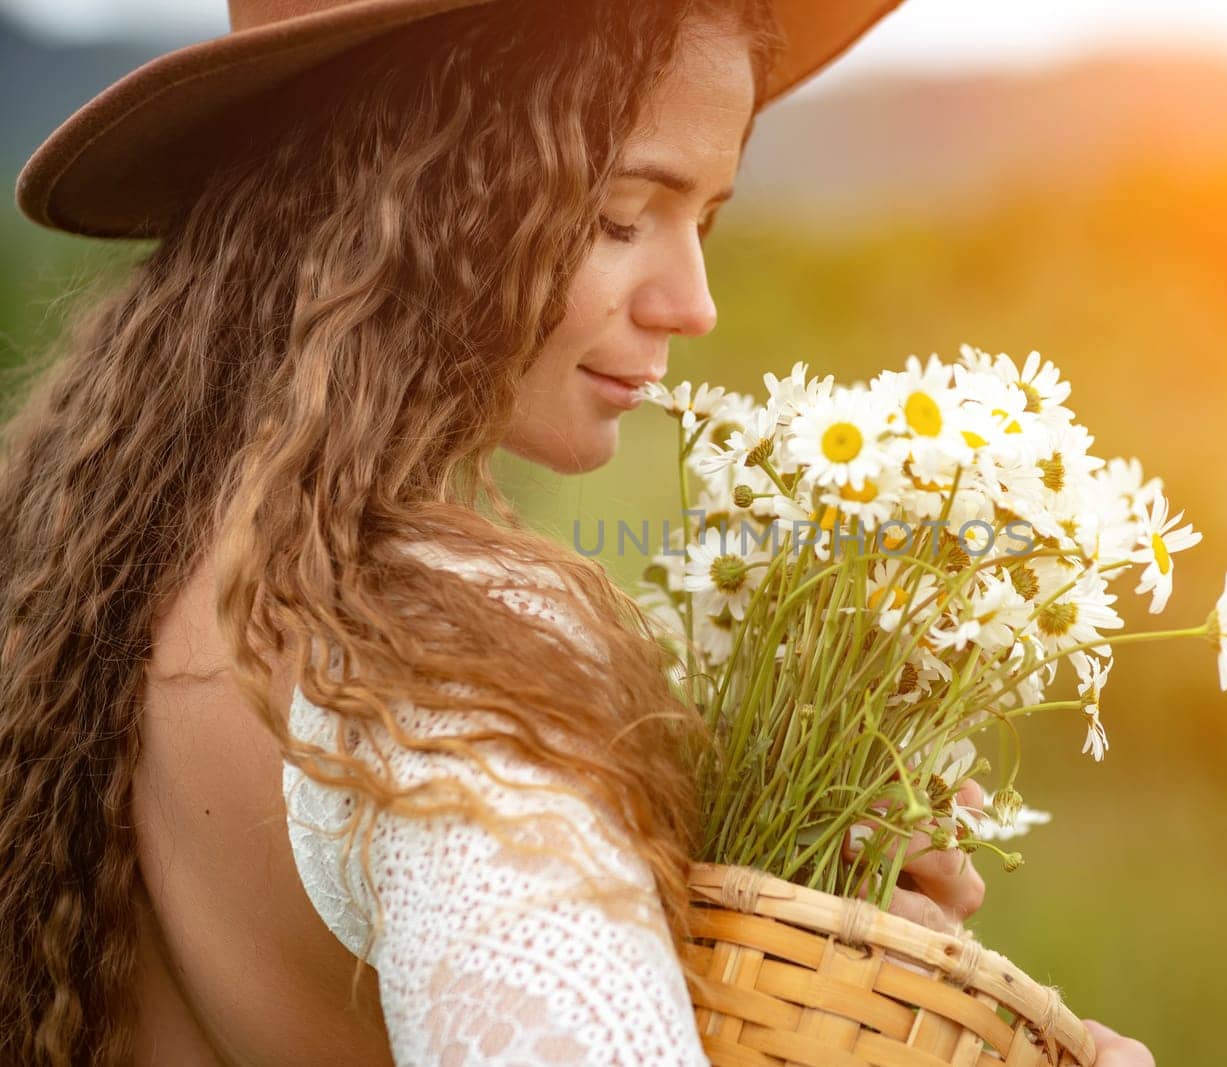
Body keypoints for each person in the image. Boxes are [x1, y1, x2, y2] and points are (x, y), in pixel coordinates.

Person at [0, 0, 1156, 1064]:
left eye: (702, 217)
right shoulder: (446, 661)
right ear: (403, 189)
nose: (690, 302)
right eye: (618, 214)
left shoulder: (100, 553)